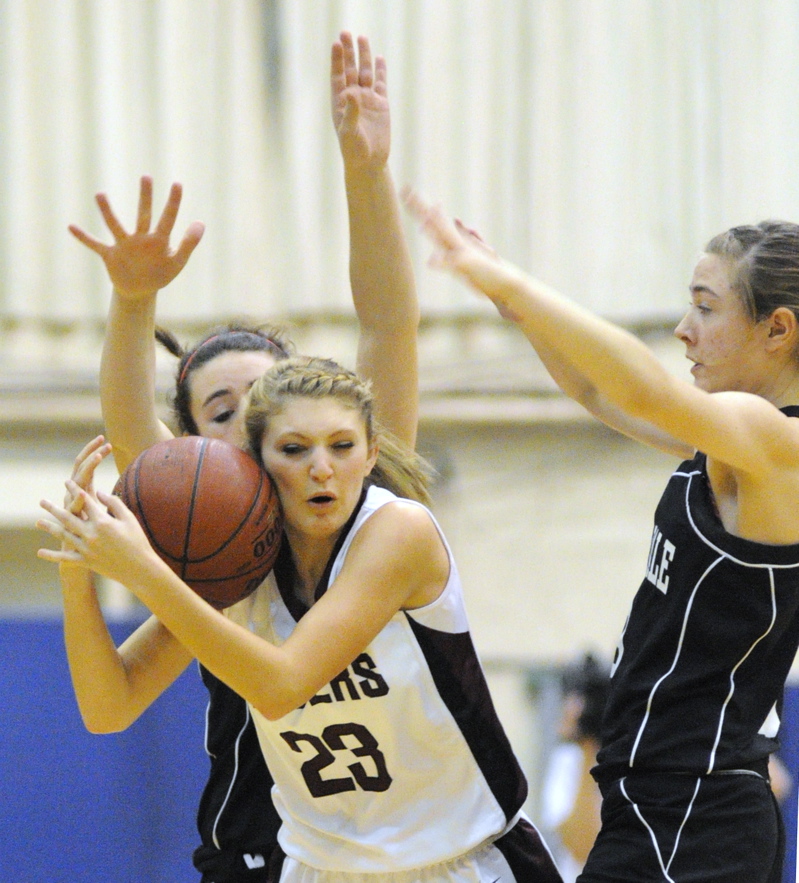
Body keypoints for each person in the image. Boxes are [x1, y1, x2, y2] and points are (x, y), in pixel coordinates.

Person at [64, 32, 420, 882]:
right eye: (223, 413)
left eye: (270, 403)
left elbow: (386, 327)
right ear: (189, 445)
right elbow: (109, 704)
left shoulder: (373, 501)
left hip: (414, 852)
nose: (253, 428)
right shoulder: (215, 564)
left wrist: (366, 172)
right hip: (261, 852)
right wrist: (133, 298)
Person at [37, 356, 564, 883]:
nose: (321, 468)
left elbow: (282, 684)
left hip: (462, 862)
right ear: (256, 462)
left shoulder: (398, 533)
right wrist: (76, 567)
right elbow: (109, 707)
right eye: (294, 449)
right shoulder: (236, 559)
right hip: (319, 868)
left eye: (342, 446)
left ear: (371, 453)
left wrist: (145, 571)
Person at [405, 191, 799, 883]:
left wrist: (512, 283)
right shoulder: (729, 444)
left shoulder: (778, 446)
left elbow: (644, 388)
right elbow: (598, 391)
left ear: (777, 330)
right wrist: (517, 308)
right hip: (656, 802)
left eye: (705, 307)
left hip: (695, 812)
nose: (682, 329)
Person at [540, 654, 610, 883]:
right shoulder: (568, 760)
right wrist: (587, 747)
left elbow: (587, 847)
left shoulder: (626, 759)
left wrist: (592, 743)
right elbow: (579, 848)